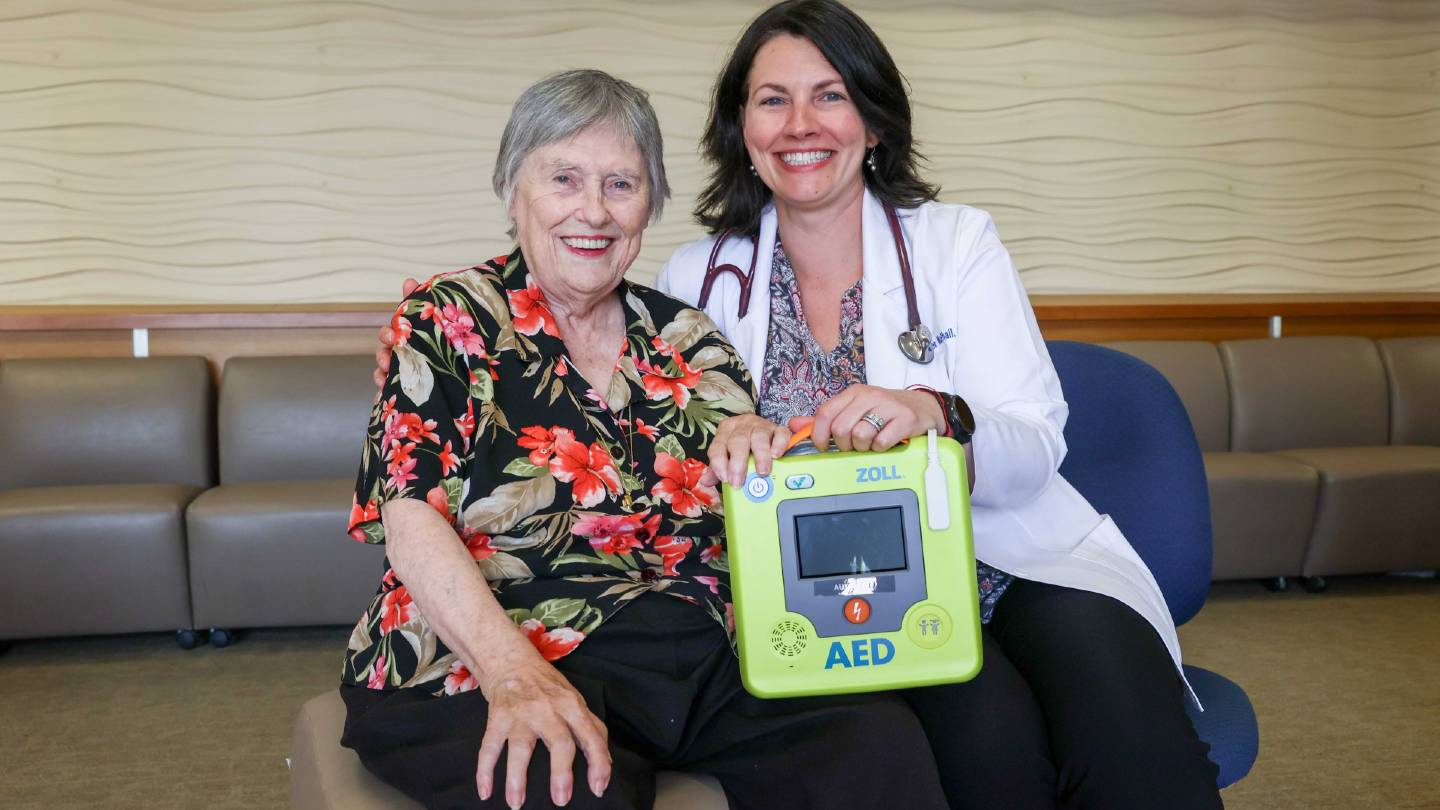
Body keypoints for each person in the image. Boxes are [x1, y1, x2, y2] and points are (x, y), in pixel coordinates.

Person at [341, 68, 949, 810]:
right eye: (564, 178)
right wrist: (514, 676)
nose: (592, 212)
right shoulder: (448, 318)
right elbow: (407, 517)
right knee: (562, 785)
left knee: (875, 744)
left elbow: (755, 476)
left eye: (621, 185)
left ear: (649, 205)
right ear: (513, 192)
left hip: (697, 653)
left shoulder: (688, 337)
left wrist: (762, 445)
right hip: (490, 654)